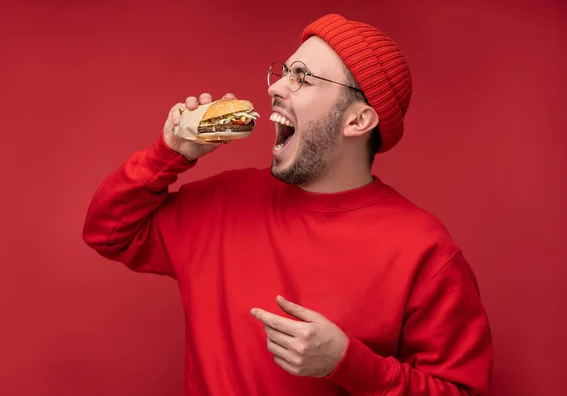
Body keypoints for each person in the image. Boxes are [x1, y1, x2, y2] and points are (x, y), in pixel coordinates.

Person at [82, 13, 493, 395]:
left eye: (302, 78)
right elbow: (108, 231)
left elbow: (459, 390)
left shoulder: (424, 249)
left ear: (357, 121)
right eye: (283, 72)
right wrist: (168, 152)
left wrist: (348, 364)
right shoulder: (224, 202)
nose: (275, 87)